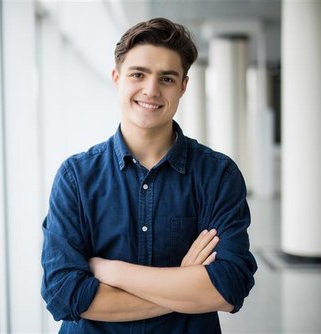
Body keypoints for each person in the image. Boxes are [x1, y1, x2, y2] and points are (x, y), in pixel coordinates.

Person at [41, 17, 257, 333]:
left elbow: (229, 286)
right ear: (116, 78)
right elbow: (65, 295)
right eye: (138, 74)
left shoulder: (217, 174)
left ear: (183, 86)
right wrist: (185, 282)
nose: (151, 90)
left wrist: (111, 271)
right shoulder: (76, 177)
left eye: (167, 78)